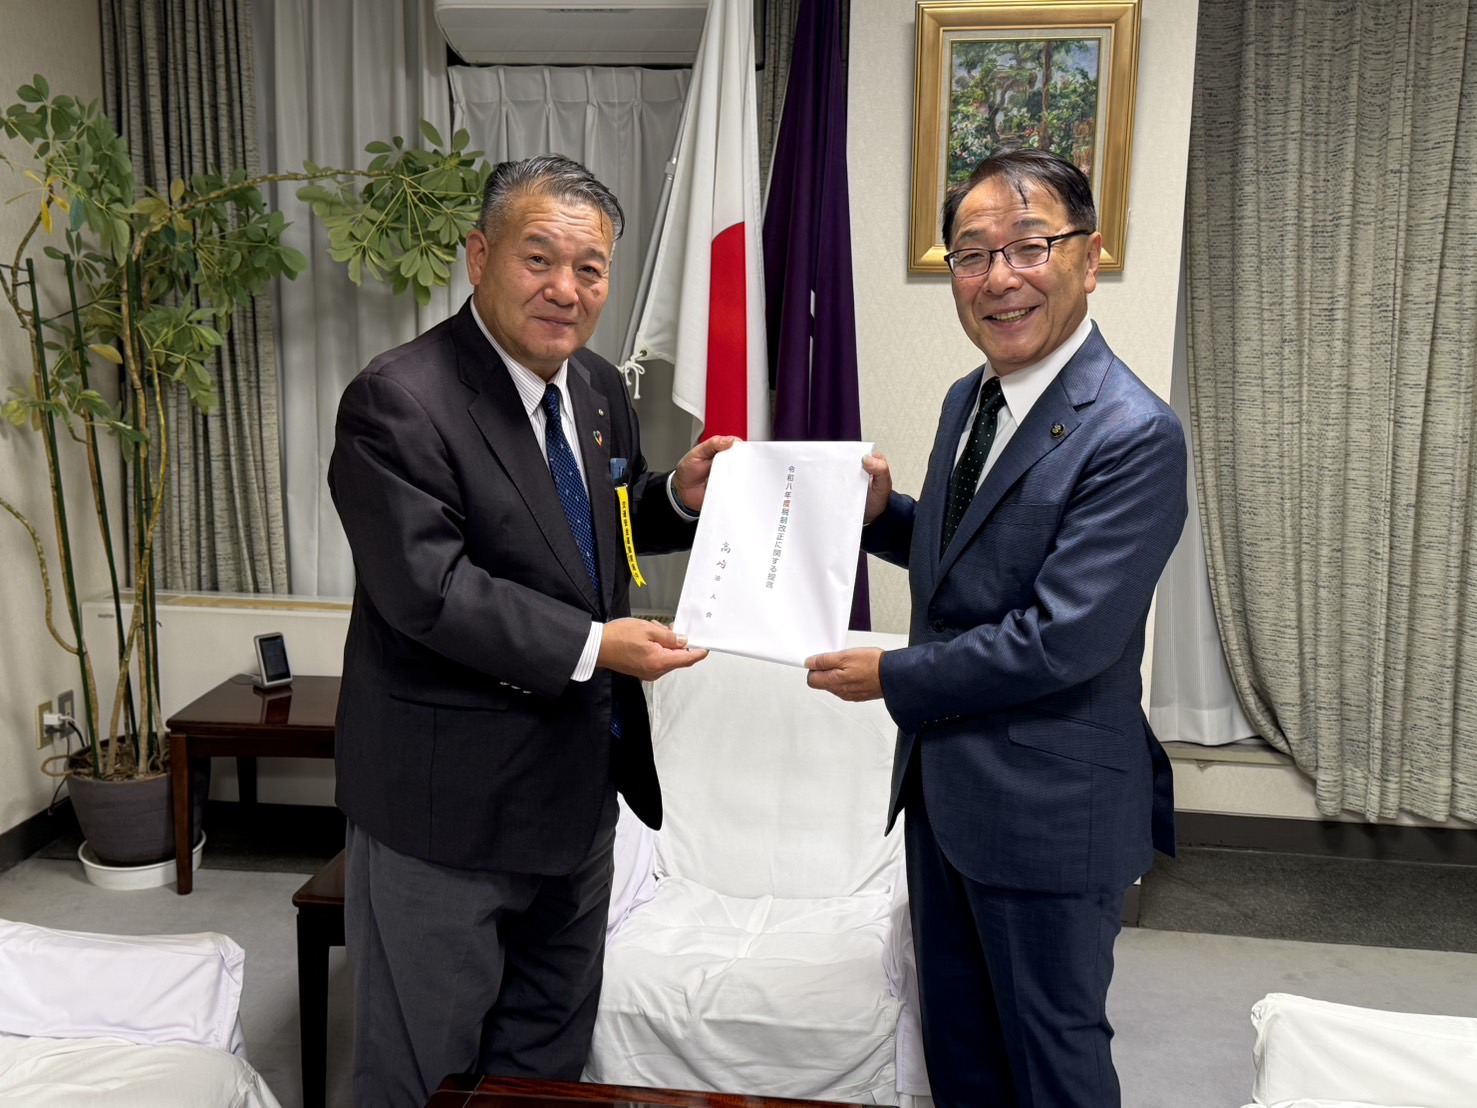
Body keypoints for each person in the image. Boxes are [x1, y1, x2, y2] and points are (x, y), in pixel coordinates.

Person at [328, 154, 733, 1107]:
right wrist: (595, 647)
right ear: (480, 256)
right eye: (538, 258)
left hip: (576, 794)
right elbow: (428, 591)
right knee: (422, 1071)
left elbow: (589, 525)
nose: (565, 288)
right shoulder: (397, 398)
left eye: (589, 268)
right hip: (447, 807)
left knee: (544, 1061)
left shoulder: (593, 386)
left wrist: (674, 497)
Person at [805, 148, 1187, 1107]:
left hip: (1049, 808)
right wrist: (884, 518)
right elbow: (974, 558)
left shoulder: (1132, 432)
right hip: (946, 794)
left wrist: (890, 676)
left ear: (1088, 257)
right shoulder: (970, 396)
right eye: (972, 254)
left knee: (1051, 1065)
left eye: (1028, 245)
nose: (998, 277)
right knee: (961, 1055)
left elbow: (1063, 636)